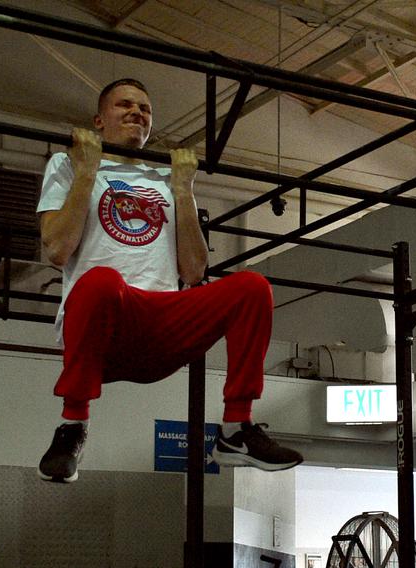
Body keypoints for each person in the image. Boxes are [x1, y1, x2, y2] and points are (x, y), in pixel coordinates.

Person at [36, 78, 303, 482]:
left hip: (161, 327)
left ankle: (235, 430)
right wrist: (88, 172)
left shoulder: (167, 179)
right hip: (102, 329)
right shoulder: (67, 165)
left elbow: (194, 272)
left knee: (252, 287)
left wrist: (184, 191)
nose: (136, 113)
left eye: (144, 109)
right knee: (102, 280)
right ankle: (73, 425)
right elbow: (56, 249)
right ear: (99, 120)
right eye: (124, 104)